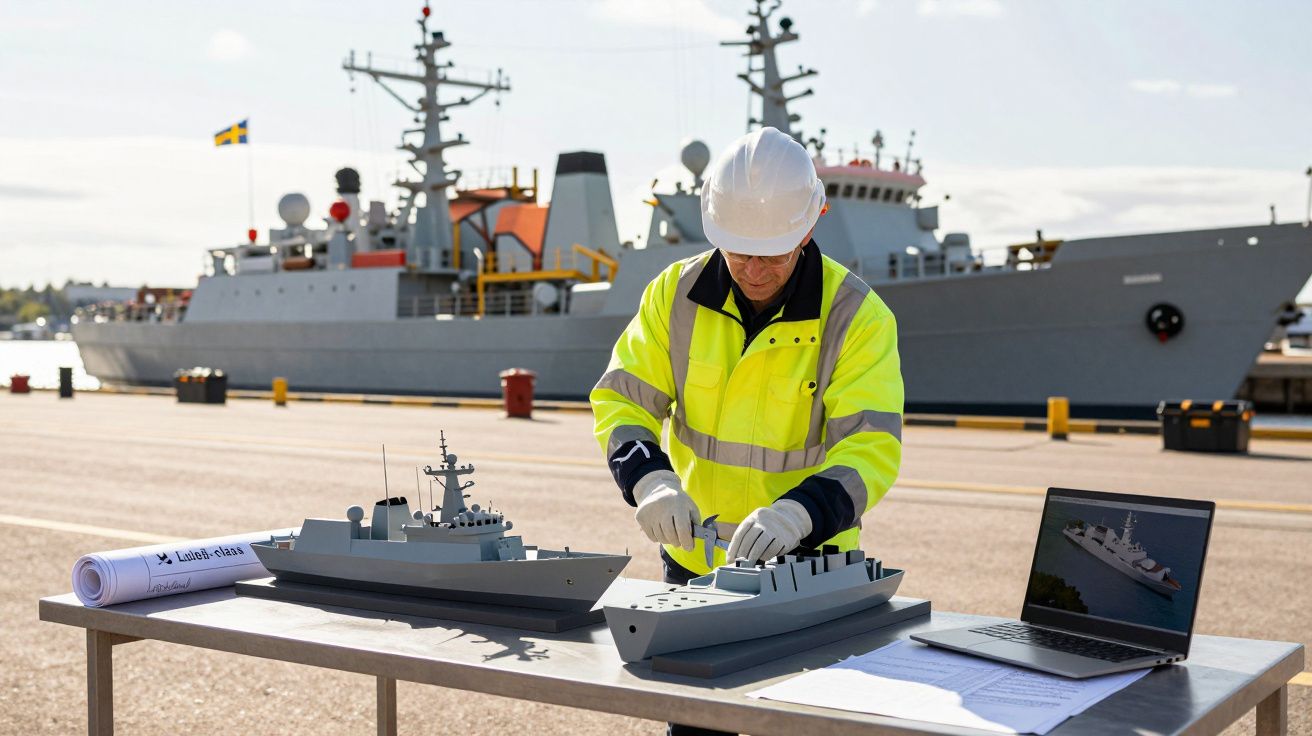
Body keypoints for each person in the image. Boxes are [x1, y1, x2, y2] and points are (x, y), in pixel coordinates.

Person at [592, 125, 903, 595]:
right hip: (694, 559)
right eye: (740, 253)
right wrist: (650, 481)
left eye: (773, 255)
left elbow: (870, 446)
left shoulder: (858, 318)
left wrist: (800, 514)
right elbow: (622, 401)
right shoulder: (672, 295)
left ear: (808, 228)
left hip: (809, 566)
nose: (755, 272)